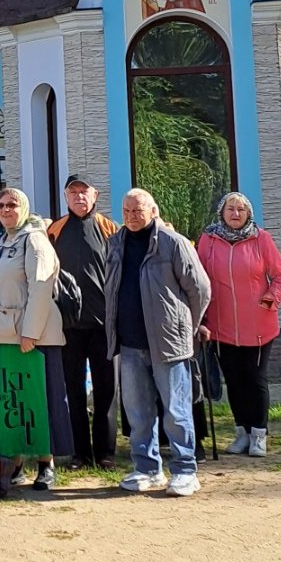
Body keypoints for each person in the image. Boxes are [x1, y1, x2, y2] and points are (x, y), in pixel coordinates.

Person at [105, 188, 211, 497]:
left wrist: (185, 325)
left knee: (176, 412)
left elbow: (200, 289)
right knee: (138, 413)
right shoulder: (115, 243)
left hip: (168, 344)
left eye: (137, 211)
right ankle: (147, 468)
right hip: (129, 343)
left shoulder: (172, 243)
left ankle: (185, 470)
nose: (131, 216)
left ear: (153, 211)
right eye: (126, 211)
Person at [0, 188, 74, 495]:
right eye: (1, 205)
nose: (6, 210)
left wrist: (30, 332)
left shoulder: (34, 239)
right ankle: (15, 464)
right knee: (13, 403)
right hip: (3, 338)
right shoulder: (0, 243)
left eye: (13, 205)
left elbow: (41, 287)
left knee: (38, 401)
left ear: (24, 208)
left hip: (31, 338)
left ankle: (46, 464)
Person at [197, 192, 281, 457]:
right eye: (230, 209)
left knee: (255, 380)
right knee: (234, 381)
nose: (235, 213)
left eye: (241, 209)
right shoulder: (209, 239)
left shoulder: (261, 239)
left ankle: (259, 434)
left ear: (249, 213)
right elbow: (198, 277)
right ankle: (242, 432)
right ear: (221, 212)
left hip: (258, 326)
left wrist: (270, 300)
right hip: (221, 326)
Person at [46, 174, 120, 471]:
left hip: (104, 324)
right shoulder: (55, 230)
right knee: (73, 390)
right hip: (68, 326)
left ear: (95, 195)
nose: (78, 197)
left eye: (83, 192)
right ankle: (79, 452)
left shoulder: (110, 229)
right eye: (72, 192)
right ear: (65, 197)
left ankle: (105, 452)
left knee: (106, 389)